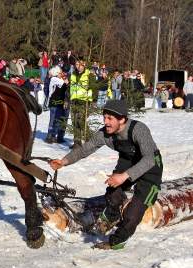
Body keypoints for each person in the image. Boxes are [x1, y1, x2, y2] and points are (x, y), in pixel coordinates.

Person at [49, 100, 163, 250]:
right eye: (104, 118)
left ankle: (116, 242)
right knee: (112, 194)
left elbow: (148, 159)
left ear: (122, 119)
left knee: (133, 213)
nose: (106, 122)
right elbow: (85, 149)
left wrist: (123, 176)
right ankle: (112, 215)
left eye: (110, 119)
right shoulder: (105, 134)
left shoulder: (138, 129)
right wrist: (64, 161)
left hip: (151, 167)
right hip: (127, 161)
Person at [69, 59, 97, 148]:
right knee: (74, 122)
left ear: (83, 65)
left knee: (81, 121)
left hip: (84, 101)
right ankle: (77, 142)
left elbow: (94, 88)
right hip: (74, 100)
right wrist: (67, 99)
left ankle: (89, 140)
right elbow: (70, 87)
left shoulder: (89, 74)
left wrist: (93, 100)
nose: (77, 66)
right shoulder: (73, 74)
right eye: (76, 64)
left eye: (79, 64)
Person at [45, 66, 69, 144]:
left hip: (59, 103)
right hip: (54, 103)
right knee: (52, 120)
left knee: (58, 120)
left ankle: (54, 136)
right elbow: (64, 83)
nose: (61, 74)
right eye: (59, 73)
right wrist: (66, 81)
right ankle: (49, 136)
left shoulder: (59, 79)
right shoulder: (54, 79)